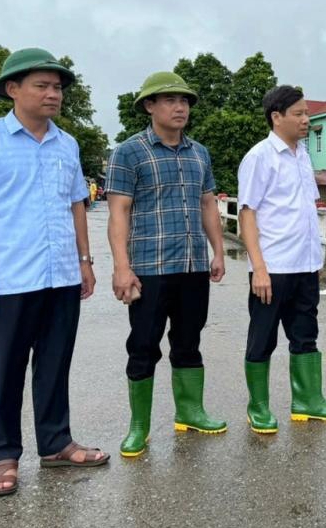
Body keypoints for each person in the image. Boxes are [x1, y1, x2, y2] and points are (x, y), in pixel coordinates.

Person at [0, 48, 108, 497]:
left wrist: (85, 262)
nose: (53, 94)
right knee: (5, 369)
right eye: (41, 85)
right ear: (12, 89)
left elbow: (76, 204)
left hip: (60, 275)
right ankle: (2, 455)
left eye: (57, 86)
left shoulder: (67, 144)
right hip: (9, 279)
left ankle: (56, 443)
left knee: (55, 364)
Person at [106, 71, 227, 458]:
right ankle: (138, 426)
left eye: (186, 101)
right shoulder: (129, 151)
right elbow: (119, 212)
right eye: (170, 100)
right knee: (143, 345)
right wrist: (121, 267)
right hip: (150, 266)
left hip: (192, 265)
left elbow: (208, 203)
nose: (180, 107)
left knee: (189, 341)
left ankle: (190, 411)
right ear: (149, 106)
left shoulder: (200, 152)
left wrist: (218, 251)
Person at [236, 85, 326, 435]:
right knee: (262, 337)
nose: (306, 120)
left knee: (305, 334)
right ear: (276, 117)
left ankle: (308, 401)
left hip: (304, 265)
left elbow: (304, 209)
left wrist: (315, 259)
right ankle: (258, 406)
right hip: (274, 267)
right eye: (298, 114)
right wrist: (259, 268)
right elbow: (247, 213)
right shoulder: (260, 157)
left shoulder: (302, 154)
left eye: (307, 113)